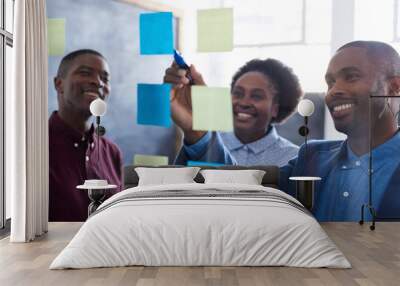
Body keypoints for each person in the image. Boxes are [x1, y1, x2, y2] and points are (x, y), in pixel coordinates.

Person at [169, 41, 400, 221]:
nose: (334, 91)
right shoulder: (312, 158)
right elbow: (242, 187)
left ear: (394, 87)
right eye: (330, 83)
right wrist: (197, 132)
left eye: (351, 77)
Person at [164, 58, 302, 166]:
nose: (243, 102)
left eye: (256, 96)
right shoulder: (203, 141)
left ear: (275, 108)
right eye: (238, 93)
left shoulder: (292, 157)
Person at [49, 49, 123, 222]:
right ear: (59, 84)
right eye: (85, 73)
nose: (98, 82)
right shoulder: (33, 146)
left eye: (105, 78)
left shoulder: (112, 152)